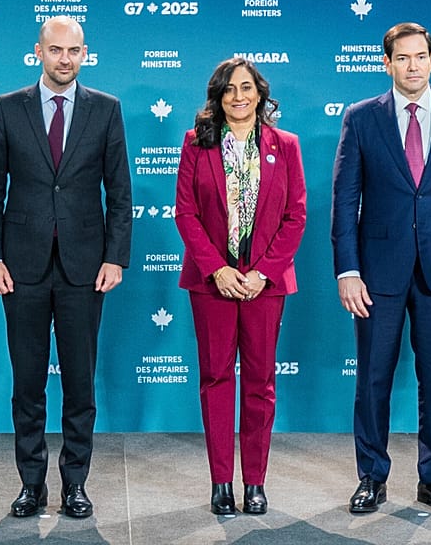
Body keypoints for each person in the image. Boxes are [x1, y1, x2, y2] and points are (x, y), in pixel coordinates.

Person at [332, 21, 431, 516]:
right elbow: (344, 199)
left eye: (420, 56)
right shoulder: (361, 117)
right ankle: (371, 477)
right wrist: (348, 270)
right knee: (373, 378)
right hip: (377, 273)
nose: (412, 66)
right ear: (387, 63)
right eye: (402, 58)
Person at [0, 16, 132, 519]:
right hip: (19, 268)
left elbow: (121, 194)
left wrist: (115, 256)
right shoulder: (7, 108)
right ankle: (31, 484)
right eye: (56, 50)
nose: (65, 59)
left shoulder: (106, 110)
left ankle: (75, 484)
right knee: (27, 382)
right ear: (37, 52)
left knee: (81, 383)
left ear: (84, 54)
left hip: (85, 269)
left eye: (75, 51)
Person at [175, 58, 307, 516]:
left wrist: (261, 272)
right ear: (218, 95)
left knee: (259, 383)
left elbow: (295, 217)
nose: (238, 96)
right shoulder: (197, 143)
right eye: (229, 89)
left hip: (263, 285)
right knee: (215, 379)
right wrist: (218, 270)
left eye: (246, 87)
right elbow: (186, 213)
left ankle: (255, 483)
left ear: (260, 94)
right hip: (213, 283)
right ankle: (221, 483)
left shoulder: (285, 145)